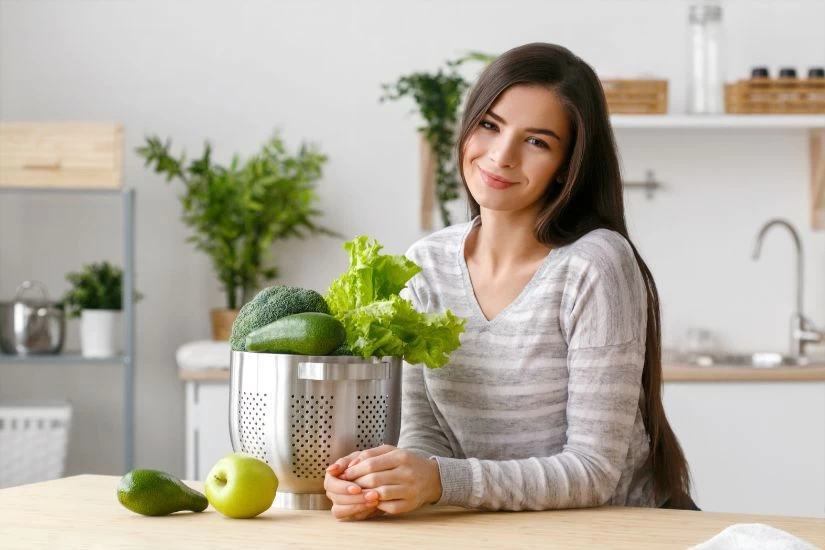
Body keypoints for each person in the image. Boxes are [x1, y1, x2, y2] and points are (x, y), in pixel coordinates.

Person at [324, 42, 696, 521]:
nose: (501, 156)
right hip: (496, 529)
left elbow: (594, 470)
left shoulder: (593, 265)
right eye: (490, 125)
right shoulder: (427, 266)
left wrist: (438, 480)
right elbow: (427, 437)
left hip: (616, 531)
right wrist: (389, 482)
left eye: (536, 141)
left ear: (567, 167)